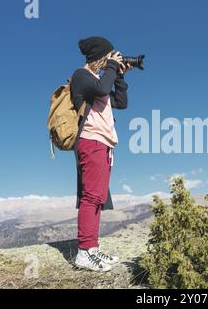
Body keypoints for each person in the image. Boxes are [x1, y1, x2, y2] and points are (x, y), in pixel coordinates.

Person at [70, 36, 132, 272]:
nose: (111, 61)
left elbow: (121, 102)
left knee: (98, 199)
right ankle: (84, 252)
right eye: (108, 58)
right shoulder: (81, 76)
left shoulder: (98, 79)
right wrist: (113, 68)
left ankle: (92, 249)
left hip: (104, 144)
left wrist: (121, 76)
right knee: (91, 198)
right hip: (91, 140)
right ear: (100, 58)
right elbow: (103, 88)